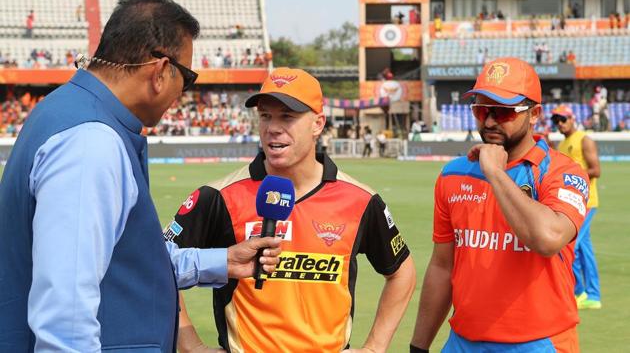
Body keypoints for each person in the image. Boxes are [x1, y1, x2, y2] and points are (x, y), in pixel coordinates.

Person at [0, 0, 281, 352]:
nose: (184, 93)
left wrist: (223, 261)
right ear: (161, 70)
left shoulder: (74, 114)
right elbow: (65, 318)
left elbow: (129, 260)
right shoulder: (92, 143)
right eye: (188, 78)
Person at [171, 67, 416, 352]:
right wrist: (190, 345)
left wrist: (374, 347)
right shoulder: (217, 196)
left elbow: (402, 272)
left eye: (287, 116)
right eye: (265, 116)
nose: (273, 127)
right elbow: (159, 266)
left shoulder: (360, 199)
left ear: (318, 123)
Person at [410, 57, 589, 352]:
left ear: (534, 114)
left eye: (504, 112)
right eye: (481, 110)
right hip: (463, 342)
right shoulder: (453, 174)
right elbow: (442, 267)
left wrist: (495, 172)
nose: (490, 121)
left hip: (539, 343)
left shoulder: (561, 172)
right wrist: (419, 346)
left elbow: (548, 239)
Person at [553, 105, 602, 309]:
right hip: (571, 203)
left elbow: (596, 169)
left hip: (586, 202)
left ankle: (580, 291)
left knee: (568, 245)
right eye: (557, 121)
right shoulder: (562, 144)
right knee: (584, 250)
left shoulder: (584, 139)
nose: (560, 124)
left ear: (572, 119)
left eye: (563, 119)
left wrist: (572, 177)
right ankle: (592, 295)